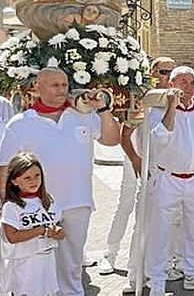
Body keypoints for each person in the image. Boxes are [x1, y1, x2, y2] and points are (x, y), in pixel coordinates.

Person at [0, 68, 121, 296]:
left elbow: (112, 140)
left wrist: (102, 109)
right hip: (35, 208)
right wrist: (8, 204)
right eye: (55, 85)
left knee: (72, 267)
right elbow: (5, 167)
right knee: (36, 266)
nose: (61, 90)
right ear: (37, 87)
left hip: (77, 202)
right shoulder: (20, 123)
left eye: (65, 85)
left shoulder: (83, 115)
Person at [143, 66, 194, 294]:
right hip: (167, 178)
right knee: (161, 230)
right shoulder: (157, 112)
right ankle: (157, 280)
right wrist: (171, 107)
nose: (188, 87)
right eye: (183, 82)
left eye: (191, 82)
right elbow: (160, 139)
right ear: (171, 85)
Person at [98, 57, 175, 279]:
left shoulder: (172, 98)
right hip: (136, 157)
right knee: (126, 205)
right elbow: (126, 134)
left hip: (158, 164)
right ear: (152, 73)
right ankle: (111, 253)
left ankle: (161, 262)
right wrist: (135, 160)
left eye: (170, 72)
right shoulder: (143, 97)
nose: (166, 77)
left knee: (156, 214)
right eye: (162, 72)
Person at [1, 152, 65, 296]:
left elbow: (60, 231)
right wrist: (41, 230)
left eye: (37, 175)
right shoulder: (11, 207)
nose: (34, 181)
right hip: (24, 266)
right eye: (27, 178)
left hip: (47, 263)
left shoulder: (48, 201)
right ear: (14, 181)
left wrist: (57, 232)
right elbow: (12, 237)